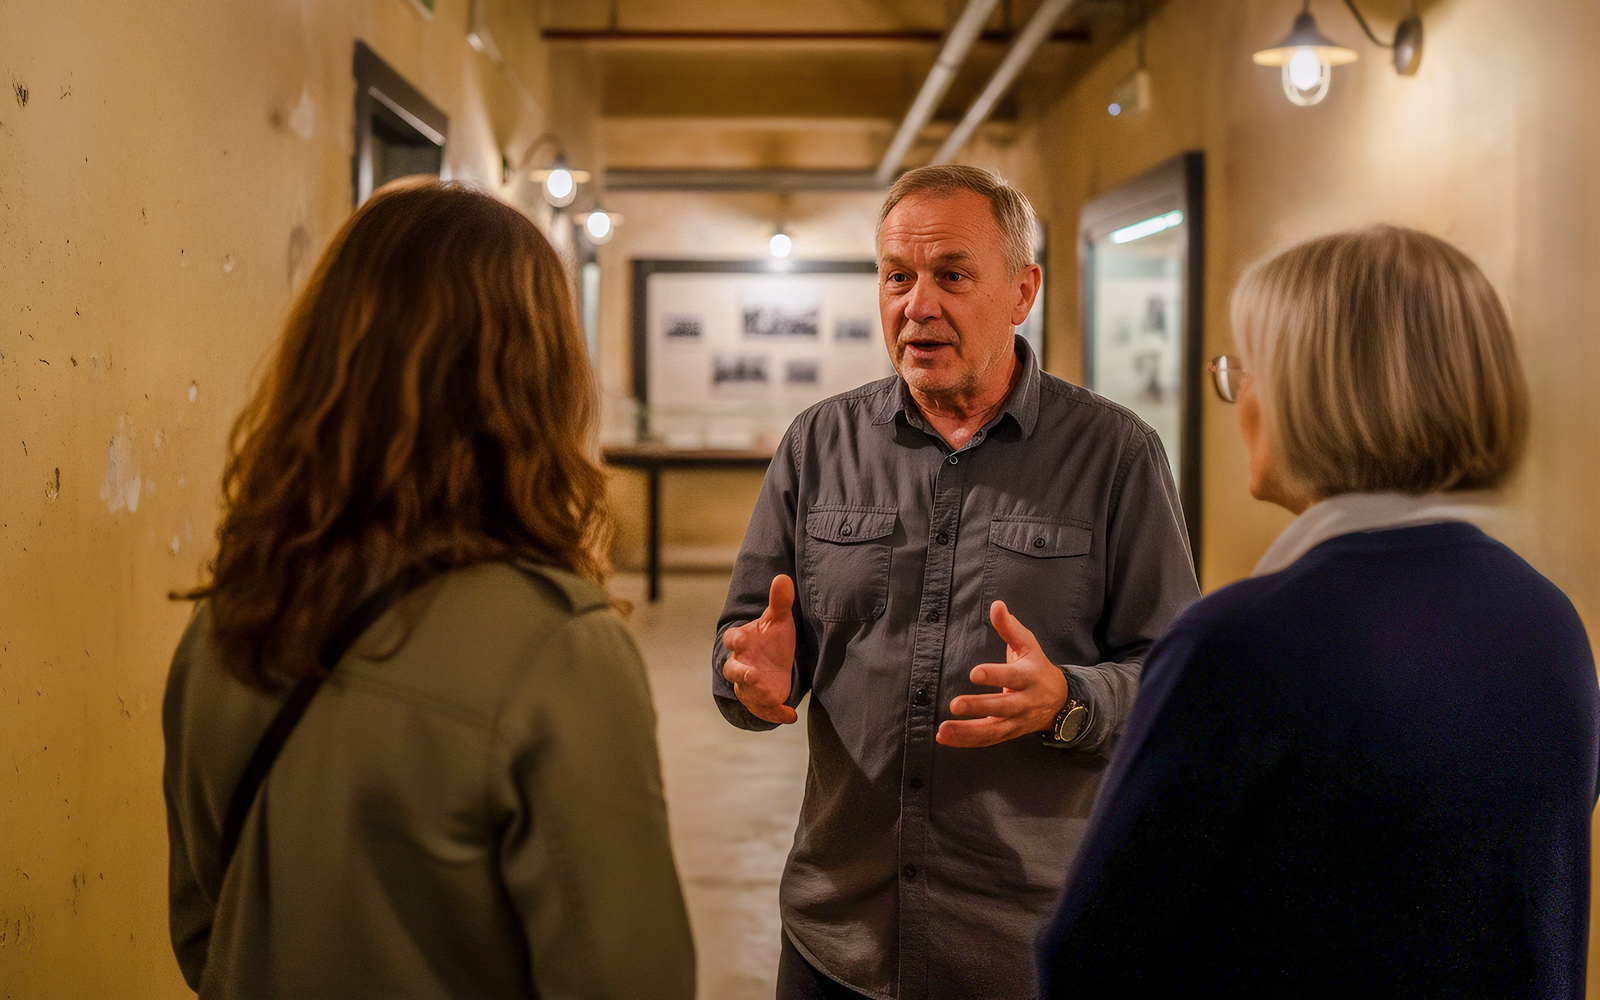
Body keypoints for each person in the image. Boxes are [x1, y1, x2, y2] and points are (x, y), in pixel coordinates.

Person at [163, 179, 695, 999]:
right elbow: (625, 979)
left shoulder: (224, 622)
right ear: (537, 379)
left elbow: (206, 930)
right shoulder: (559, 650)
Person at [1037, 225, 1600, 996]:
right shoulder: (1548, 621)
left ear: (1309, 397)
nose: (1239, 400)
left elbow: (1092, 959)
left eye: (1245, 371)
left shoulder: (1242, 646)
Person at [713, 164, 1200, 1000]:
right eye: (897, 277)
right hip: (839, 937)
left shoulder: (1116, 456)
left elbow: (1172, 681)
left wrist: (1069, 699)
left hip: (1021, 944)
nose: (918, 305)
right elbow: (746, 648)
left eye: (951, 275)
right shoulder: (817, 446)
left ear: (1022, 292)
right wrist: (751, 678)